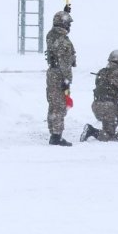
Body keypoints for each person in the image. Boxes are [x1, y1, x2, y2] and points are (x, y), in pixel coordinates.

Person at [45, 10, 76, 146]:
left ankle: (53, 132)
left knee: (53, 104)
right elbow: (65, 63)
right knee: (59, 105)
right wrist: (67, 80)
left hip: (52, 73)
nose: (69, 27)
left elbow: (54, 31)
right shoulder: (63, 41)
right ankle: (57, 136)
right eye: (68, 24)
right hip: (59, 74)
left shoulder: (51, 35)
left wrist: (64, 13)